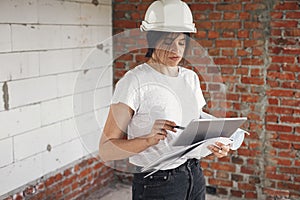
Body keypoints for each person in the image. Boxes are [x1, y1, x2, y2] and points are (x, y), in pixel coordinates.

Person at [99, 0, 246, 199]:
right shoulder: (134, 81)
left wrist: (216, 142)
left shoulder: (190, 77)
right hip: (156, 184)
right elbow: (107, 150)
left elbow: (195, 123)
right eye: (168, 42)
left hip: (193, 174)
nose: (176, 50)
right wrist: (148, 140)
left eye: (181, 42)